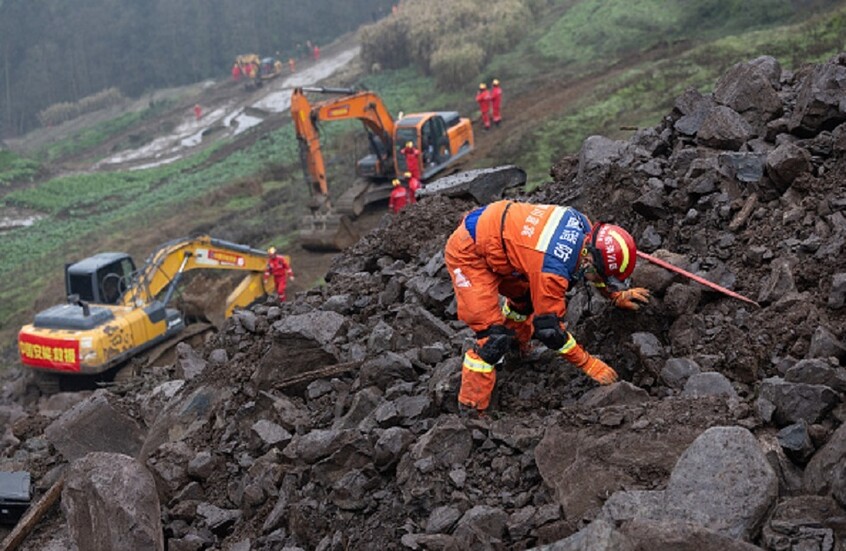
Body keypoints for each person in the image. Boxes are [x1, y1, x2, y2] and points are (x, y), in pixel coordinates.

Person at [444, 200, 651, 415]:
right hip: (469, 252)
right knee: (491, 340)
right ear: (588, 261)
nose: (601, 280)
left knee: (525, 300)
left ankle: (516, 348)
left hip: (500, 239)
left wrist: (615, 295)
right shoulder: (552, 272)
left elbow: (595, 272)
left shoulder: (583, 225)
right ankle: (472, 411)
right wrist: (588, 364)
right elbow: (550, 332)